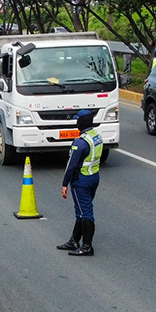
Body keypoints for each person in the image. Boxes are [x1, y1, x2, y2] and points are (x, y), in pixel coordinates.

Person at [57, 110, 102, 257]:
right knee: (82, 210)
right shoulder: (96, 136)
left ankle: (86, 247)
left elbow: (71, 165)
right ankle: (74, 241)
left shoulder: (80, 142)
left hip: (81, 180)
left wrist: (65, 184)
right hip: (94, 177)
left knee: (85, 213)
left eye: (77, 120)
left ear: (81, 122)